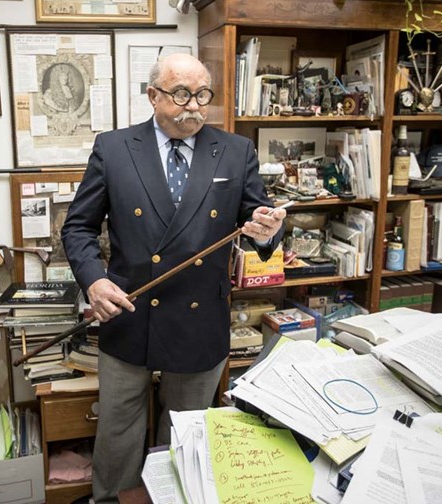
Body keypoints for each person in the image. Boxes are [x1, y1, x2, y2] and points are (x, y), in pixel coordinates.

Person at [61, 53, 286, 502]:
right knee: (118, 430)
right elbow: (78, 226)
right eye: (182, 93)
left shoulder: (236, 150)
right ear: (153, 96)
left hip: (199, 318)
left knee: (185, 434)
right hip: (128, 312)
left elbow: (258, 223)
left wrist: (269, 229)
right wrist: (94, 281)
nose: (195, 106)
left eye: (203, 94)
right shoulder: (114, 148)